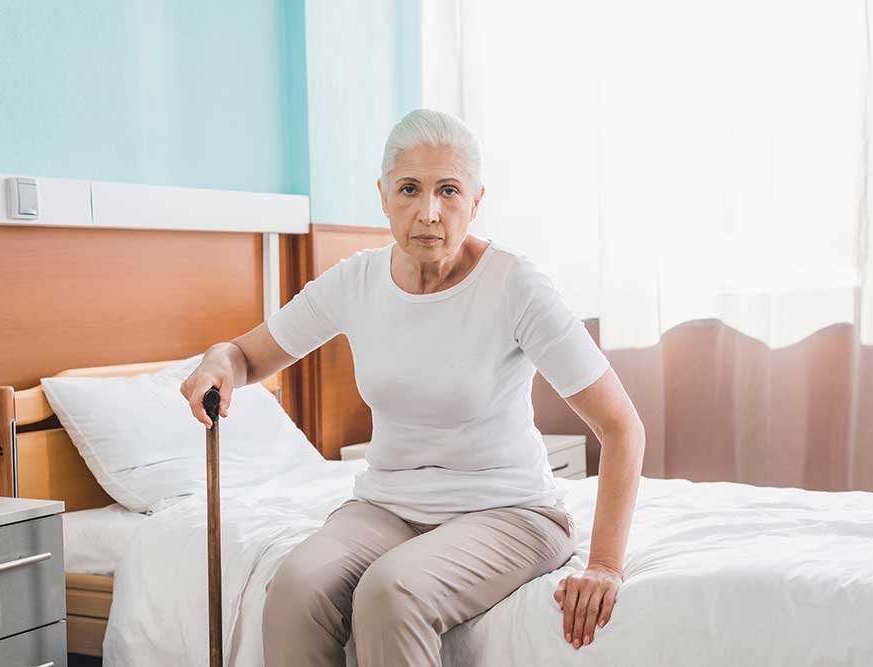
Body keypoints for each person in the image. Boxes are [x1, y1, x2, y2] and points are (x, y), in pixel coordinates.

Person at [180, 108, 646, 665]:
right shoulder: (357, 281)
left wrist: (605, 565)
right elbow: (245, 357)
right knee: (295, 587)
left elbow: (621, 426)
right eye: (410, 189)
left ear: (475, 202)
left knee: (390, 592)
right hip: (387, 507)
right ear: (383, 195)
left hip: (509, 512)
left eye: (449, 191)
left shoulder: (515, 285)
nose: (429, 212)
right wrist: (216, 364)